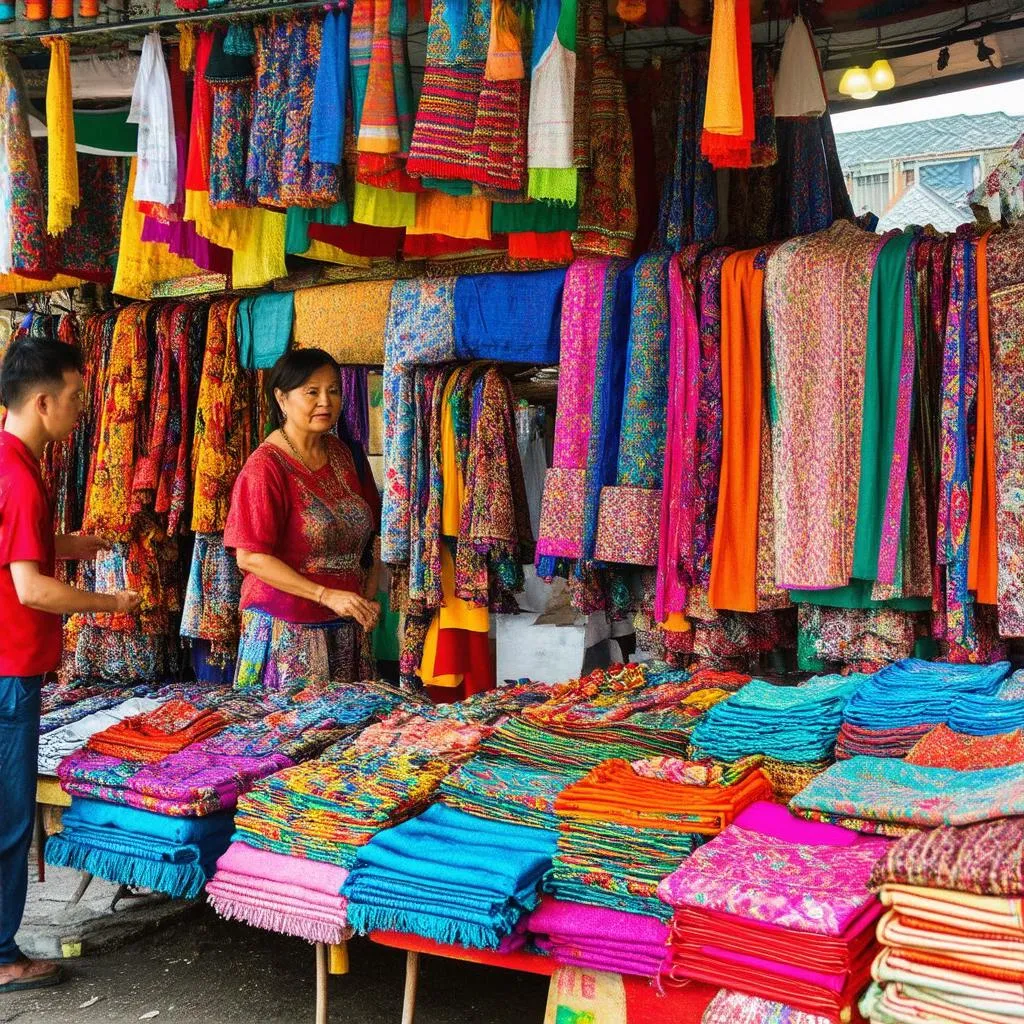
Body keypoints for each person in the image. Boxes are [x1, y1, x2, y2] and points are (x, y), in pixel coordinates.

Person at [0, 335, 140, 994]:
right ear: (46, 399)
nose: (84, 410)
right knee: (9, 820)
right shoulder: (23, 477)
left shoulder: (8, 461)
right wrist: (107, 599)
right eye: (80, 398)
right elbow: (32, 589)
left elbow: (18, 548)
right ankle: (3, 957)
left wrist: (69, 543)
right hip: (9, 673)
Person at [225, 348, 381, 692]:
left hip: (346, 625)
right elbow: (250, 557)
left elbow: (374, 527)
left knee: (350, 738)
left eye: (334, 390)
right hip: (286, 632)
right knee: (292, 738)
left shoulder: (344, 454)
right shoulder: (266, 467)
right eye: (312, 392)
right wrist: (325, 594)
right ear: (282, 398)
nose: (325, 401)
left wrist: (367, 589)